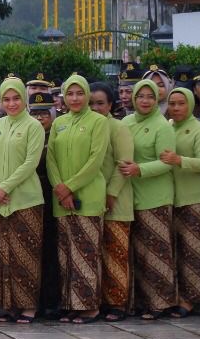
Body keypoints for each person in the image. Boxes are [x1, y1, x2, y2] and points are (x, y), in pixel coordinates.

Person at [47, 75, 111, 323]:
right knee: (67, 255)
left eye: (79, 93)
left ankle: (90, 306)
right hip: (62, 199)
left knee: (86, 252)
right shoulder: (59, 123)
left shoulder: (98, 122)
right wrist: (60, 188)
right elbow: (51, 157)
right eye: (70, 94)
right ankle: (71, 304)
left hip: (89, 195)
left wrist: (70, 187)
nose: (74, 98)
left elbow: (95, 160)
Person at [0, 77, 46, 324]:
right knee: (5, 254)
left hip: (25, 199)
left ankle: (28, 306)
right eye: (6, 99)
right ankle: (8, 305)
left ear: (24, 98)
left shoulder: (33, 126)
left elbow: (31, 162)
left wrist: (6, 186)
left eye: (16, 98)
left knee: (26, 254)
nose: (11, 103)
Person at [120, 79, 177, 319]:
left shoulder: (161, 125)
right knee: (138, 252)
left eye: (150, 97)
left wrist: (139, 169)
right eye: (141, 96)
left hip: (156, 196)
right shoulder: (126, 122)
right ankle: (141, 301)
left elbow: (166, 163)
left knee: (157, 251)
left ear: (157, 99)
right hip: (131, 195)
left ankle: (161, 303)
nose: (145, 101)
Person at [164, 87, 200, 316]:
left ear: (190, 105)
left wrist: (179, 160)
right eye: (172, 103)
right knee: (175, 250)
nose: (175, 108)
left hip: (194, 198)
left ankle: (191, 300)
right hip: (172, 197)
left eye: (181, 103)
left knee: (193, 252)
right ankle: (176, 295)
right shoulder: (169, 127)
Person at [91, 83, 135, 321]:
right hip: (91, 201)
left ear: (110, 105)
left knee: (115, 254)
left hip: (116, 201)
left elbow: (124, 164)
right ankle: (98, 300)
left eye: (100, 103)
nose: (95, 107)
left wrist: (111, 193)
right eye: (91, 103)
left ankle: (117, 304)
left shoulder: (117, 128)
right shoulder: (86, 126)